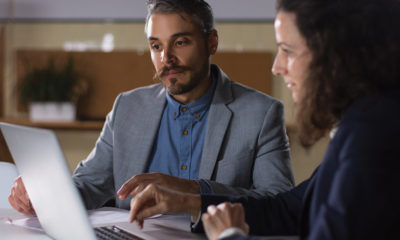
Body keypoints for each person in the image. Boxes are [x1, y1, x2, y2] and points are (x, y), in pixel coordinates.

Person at [126, 0, 400, 239]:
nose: (277, 67)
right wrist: (191, 202)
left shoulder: (373, 136)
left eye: (288, 51)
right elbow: (289, 208)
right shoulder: (364, 122)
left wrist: (229, 236)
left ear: (335, 56)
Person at [8, 0, 294, 215]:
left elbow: (281, 203)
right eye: (156, 46)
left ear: (211, 42)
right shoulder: (127, 107)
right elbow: (89, 184)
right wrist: (44, 193)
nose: (166, 58)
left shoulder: (261, 113)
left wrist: (194, 190)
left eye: (180, 42)